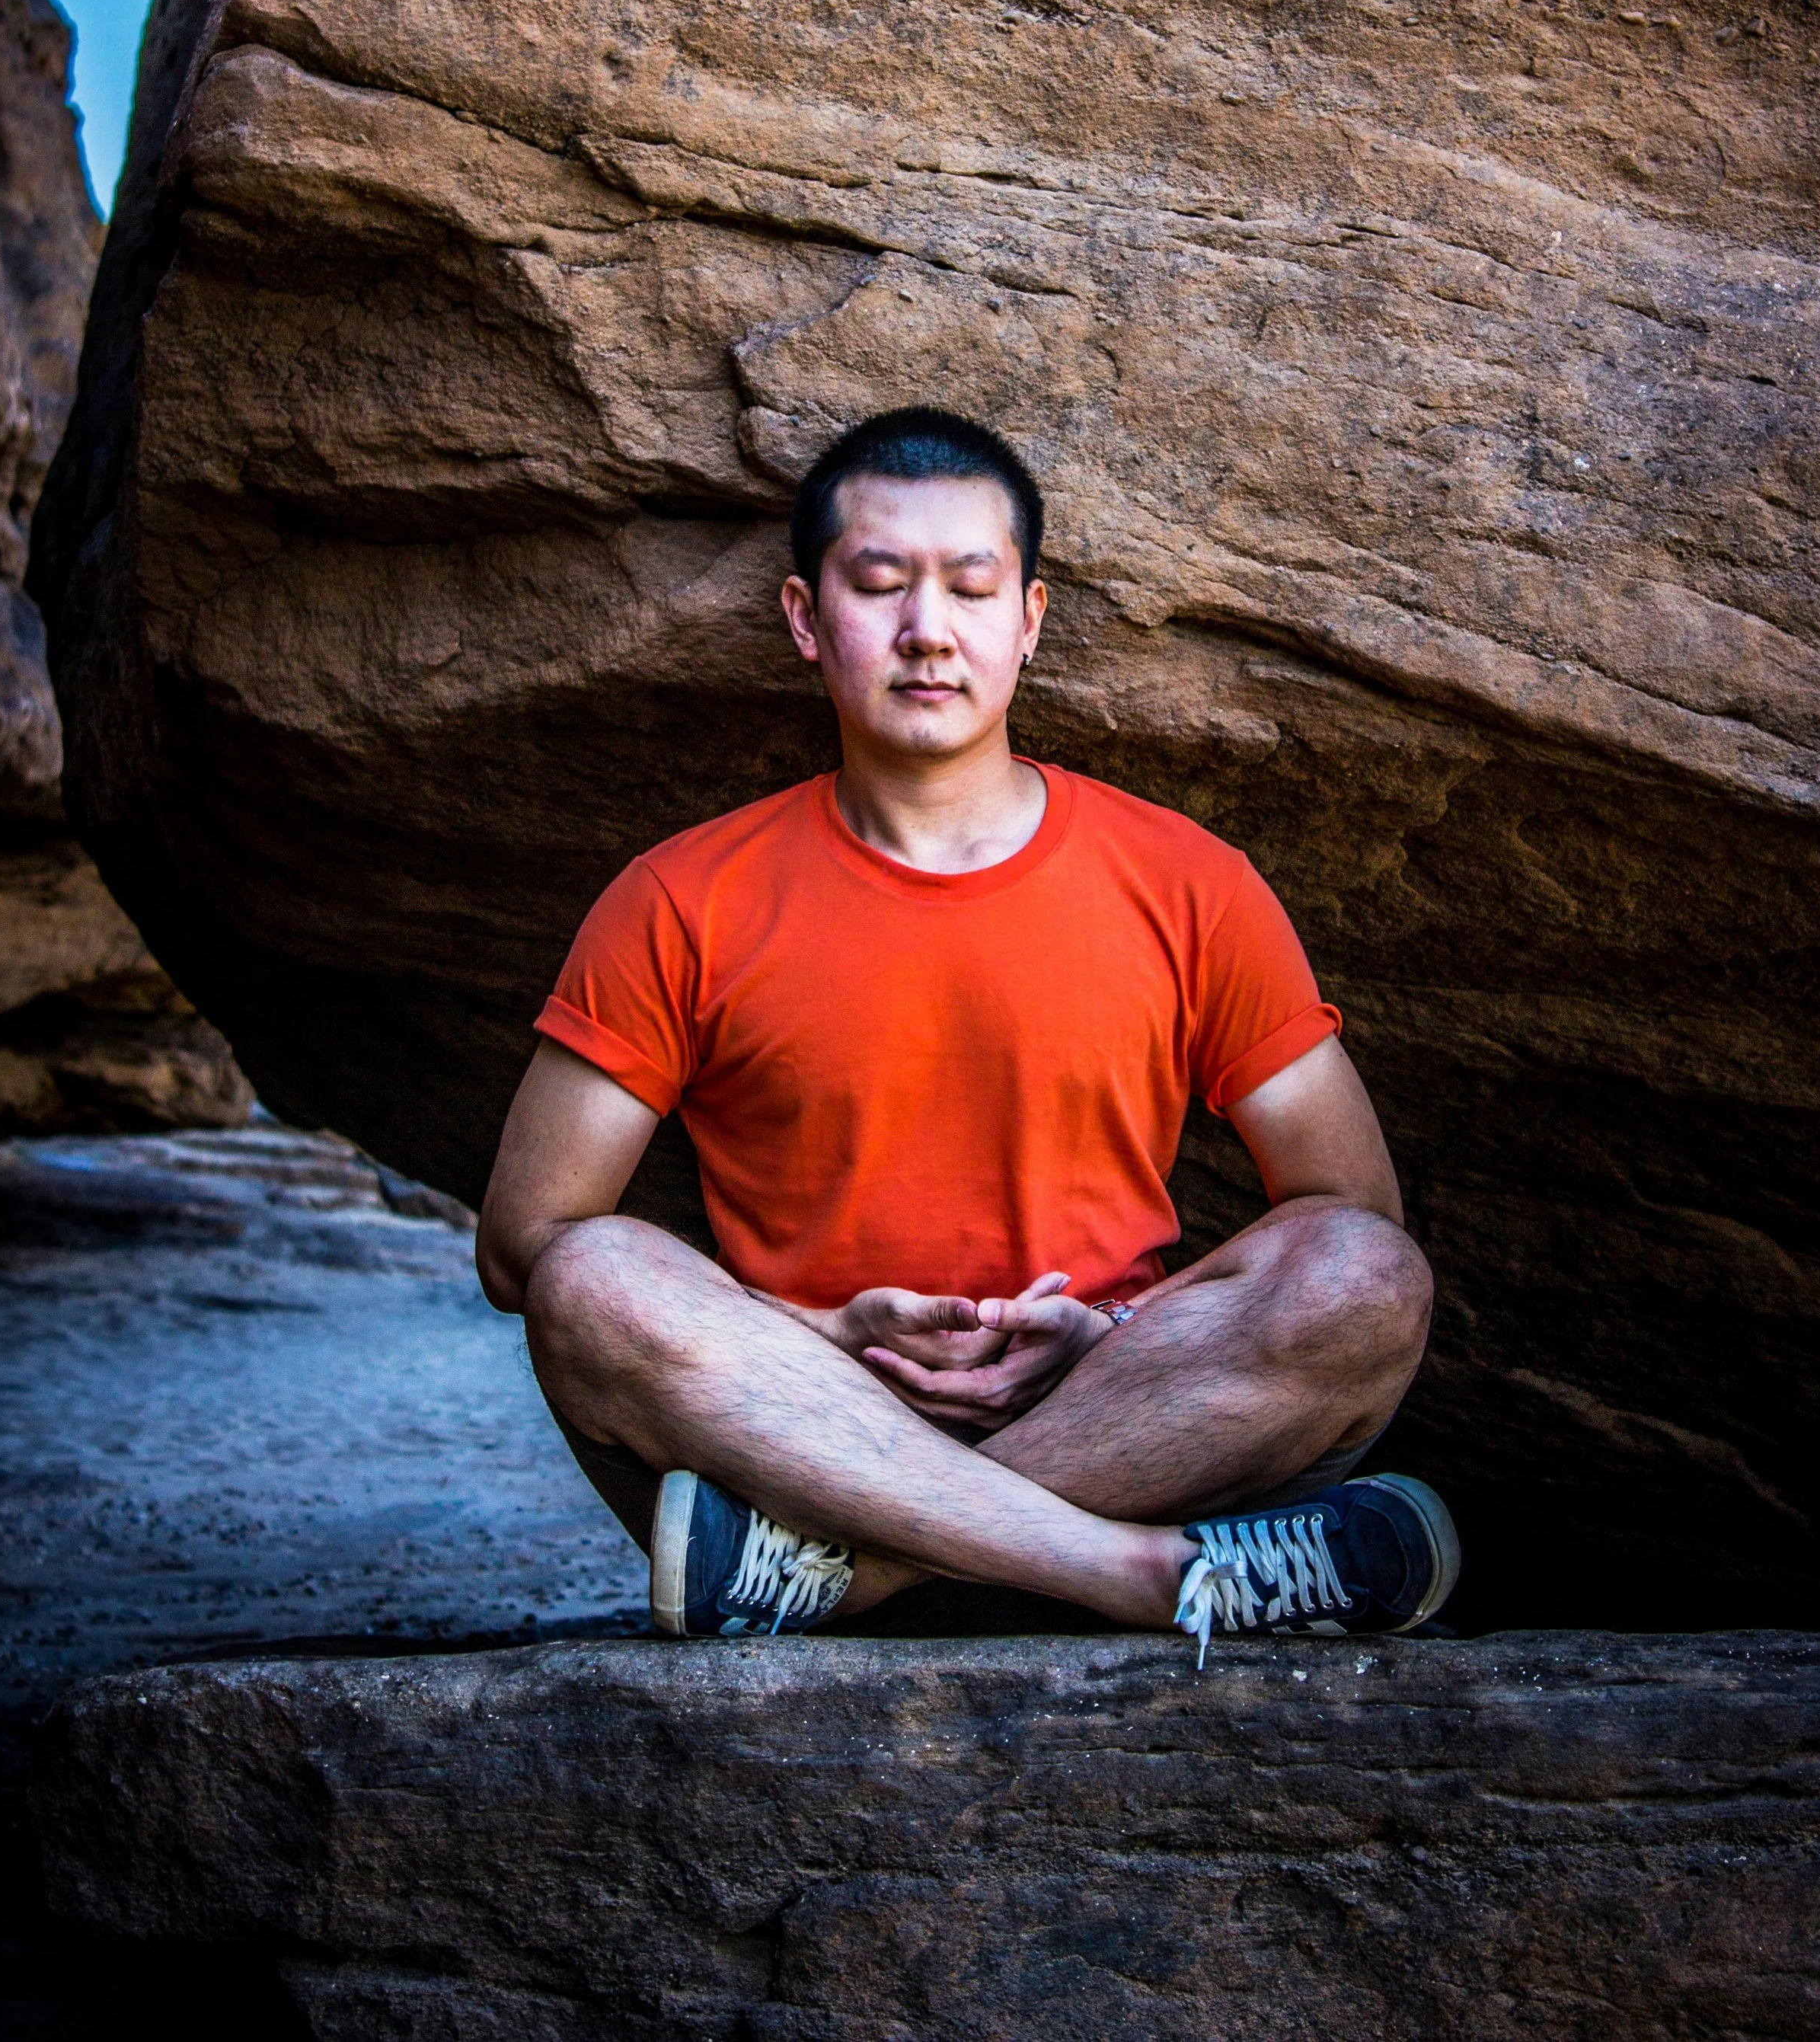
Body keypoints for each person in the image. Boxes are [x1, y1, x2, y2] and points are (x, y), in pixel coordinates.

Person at [477, 407, 1457, 1660]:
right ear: (803, 616)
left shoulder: (1187, 881)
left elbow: (1354, 1204)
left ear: (1029, 621)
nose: (926, 629)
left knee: (1367, 1277)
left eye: (972, 588)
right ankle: (1138, 1574)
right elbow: (524, 1248)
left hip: (1126, 1412)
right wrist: (819, 1339)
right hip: (798, 1429)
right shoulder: (683, 898)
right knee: (591, 1280)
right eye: (879, 584)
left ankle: (854, 1576)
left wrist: (1104, 1337)